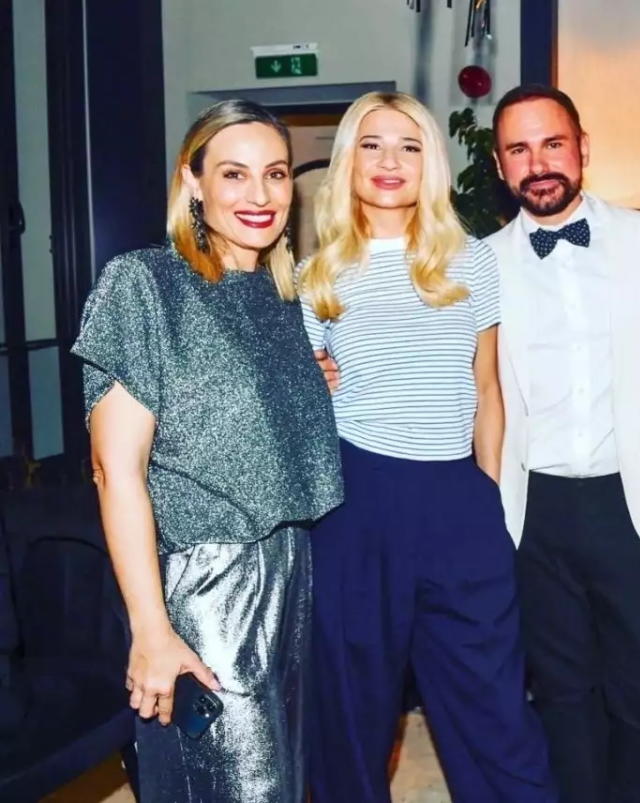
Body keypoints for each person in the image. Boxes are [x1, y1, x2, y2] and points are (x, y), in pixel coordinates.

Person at [71, 99, 342, 802]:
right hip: (207, 585)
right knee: (238, 784)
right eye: (233, 173)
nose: (260, 194)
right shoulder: (144, 284)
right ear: (192, 182)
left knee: (282, 778)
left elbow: (242, 417)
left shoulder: (280, 293)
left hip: (291, 571)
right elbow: (114, 470)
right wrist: (152, 629)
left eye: (275, 173)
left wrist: (305, 387)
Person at [299, 91, 555, 803]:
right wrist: (307, 380)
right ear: (348, 161)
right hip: (354, 502)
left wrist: (488, 498)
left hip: (457, 499)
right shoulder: (316, 275)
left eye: (408, 146)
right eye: (372, 145)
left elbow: (487, 389)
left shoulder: (470, 261)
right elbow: (301, 402)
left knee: (495, 708)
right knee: (352, 712)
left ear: (429, 163)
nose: (390, 161)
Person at [484, 84, 640, 803]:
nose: (538, 163)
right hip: (532, 508)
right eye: (518, 149)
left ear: (583, 148)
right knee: (560, 695)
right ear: (499, 166)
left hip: (635, 498)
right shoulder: (480, 263)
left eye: (553, 143)